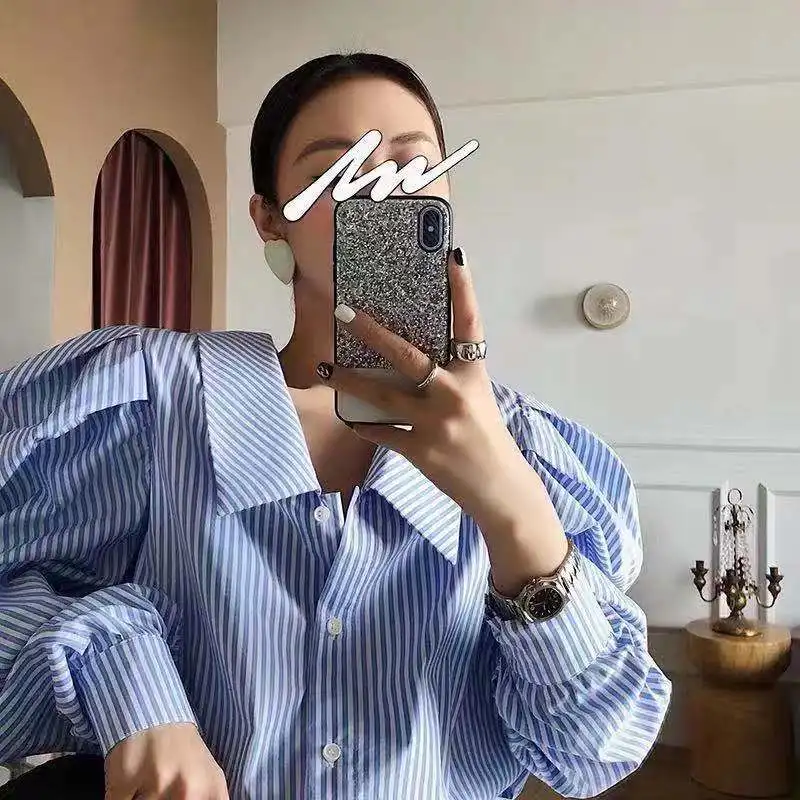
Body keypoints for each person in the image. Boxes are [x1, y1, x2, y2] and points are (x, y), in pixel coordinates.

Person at [0, 52, 671, 800]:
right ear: (269, 218)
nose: (383, 195)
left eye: (414, 166)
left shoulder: (536, 452)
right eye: (337, 172)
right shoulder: (150, 401)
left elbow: (591, 755)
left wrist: (510, 503)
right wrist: (124, 672)